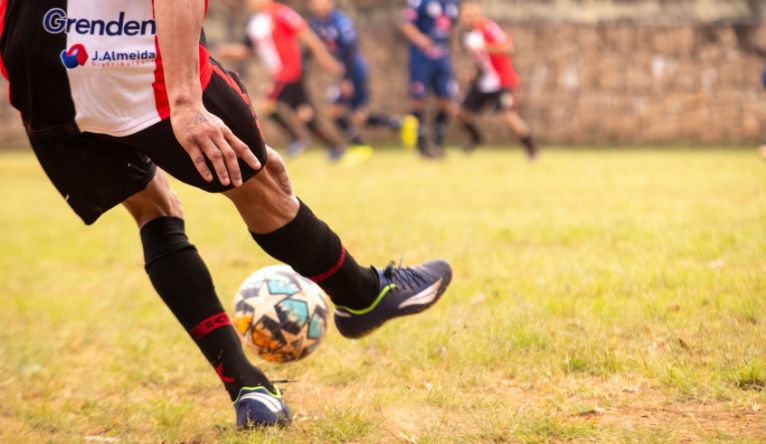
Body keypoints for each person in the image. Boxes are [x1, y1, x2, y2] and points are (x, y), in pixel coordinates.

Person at [0, 0, 452, 429]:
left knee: (151, 206)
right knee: (259, 184)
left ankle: (248, 389)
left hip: (36, 66)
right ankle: (364, 295)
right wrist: (185, 101)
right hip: (127, 47)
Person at [216, 0, 370, 164]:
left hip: (288, 72)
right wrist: (228, 51)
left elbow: (308, 36)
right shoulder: (256, 23)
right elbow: (247, 49)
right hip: (278, 74)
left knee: (266, 106)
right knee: (304, 113)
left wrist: (326, 60)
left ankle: (296, 139)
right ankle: (334, 147)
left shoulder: (282, 14)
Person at [307, 0, 405, 150]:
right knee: (358, 116)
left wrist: (347, 79)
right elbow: (312, 47)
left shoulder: (341, 21)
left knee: (334, 111)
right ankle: (399, 123)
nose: (320, 5)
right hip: (342, 72)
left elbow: (350, 51)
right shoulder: (315, 23)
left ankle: (359, 147)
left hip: (353, 71)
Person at [457, 1, 538, 159]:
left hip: (502, 80)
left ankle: (532, 150)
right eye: (466, 15)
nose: (469, 18)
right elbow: (481, 60)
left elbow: (508, 48)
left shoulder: (488, 28)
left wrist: (485, 46)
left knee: (509, 116)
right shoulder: (467, 35)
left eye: (472, 14)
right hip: (485, 81)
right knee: (461, 113)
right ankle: (476, 138)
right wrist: (474, 74)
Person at [400, 0, 460, 158]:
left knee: (447, 101)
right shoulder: (420, 2)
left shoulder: (453, 3)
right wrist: (422, 41)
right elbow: (406, 25)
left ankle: (437, 143)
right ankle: (421, 145)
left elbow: (450, 26)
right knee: (419, 100)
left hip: (441, 58)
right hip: (421, 59)